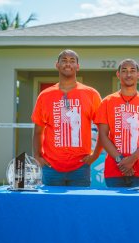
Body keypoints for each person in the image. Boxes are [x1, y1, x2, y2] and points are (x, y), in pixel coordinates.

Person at [32, 49, 102, 186]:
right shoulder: (45, 95)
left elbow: (103, 129)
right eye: (64, 61)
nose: (68, 64)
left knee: (79, 206)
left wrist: (95, 156)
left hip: (80, 168)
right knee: (51, 207)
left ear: (78, 66)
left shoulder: (91, 94)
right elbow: (38, 131)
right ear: (57, 65)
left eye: (72, 61)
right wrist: (37, 156)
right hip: (51, 168)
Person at [95, 59, 139, 187]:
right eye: (124, 71)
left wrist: (132, 159)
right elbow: (103, 135)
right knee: (115, 207)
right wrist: (121, 161)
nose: (128, 74)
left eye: (132, 71)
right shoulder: (107, 102)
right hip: (114, 171)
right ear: (118, 75)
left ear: (138, 74)